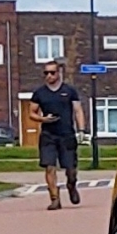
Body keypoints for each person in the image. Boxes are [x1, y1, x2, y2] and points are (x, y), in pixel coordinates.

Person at [30, 63, 83, 210]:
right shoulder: (39, 93)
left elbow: (78, 110)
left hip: (67, 134)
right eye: (46, 73)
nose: (49, 76)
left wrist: (82, 130)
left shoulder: (69, 91)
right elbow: (32, 112)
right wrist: (42, 119)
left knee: (71, 168)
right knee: (49, 167)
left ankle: (71, 185)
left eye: (52, 73)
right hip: (48, 135)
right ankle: (54, 199)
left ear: (59, 73)